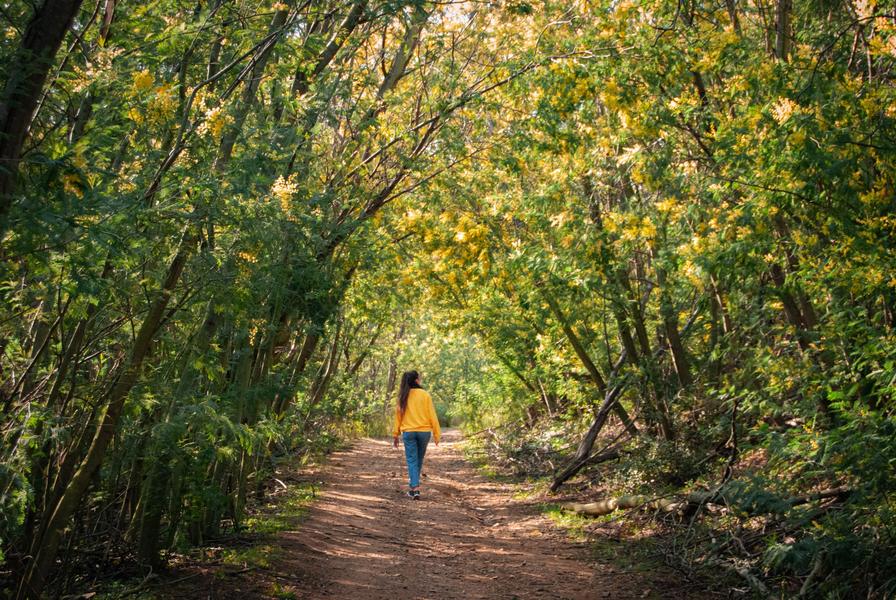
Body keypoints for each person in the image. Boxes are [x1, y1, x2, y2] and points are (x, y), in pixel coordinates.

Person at [392, 370, 441, 500]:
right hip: (424, 432)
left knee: (412, 460)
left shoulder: (403, 396)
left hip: (408, 432)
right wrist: (437, 434)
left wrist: (395, 434)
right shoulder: (425, 395)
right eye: (419, 378)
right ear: (416, 380)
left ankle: (415, 488)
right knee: (418, 460)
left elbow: (398, 416)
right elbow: (432, 415)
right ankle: (414, 487)